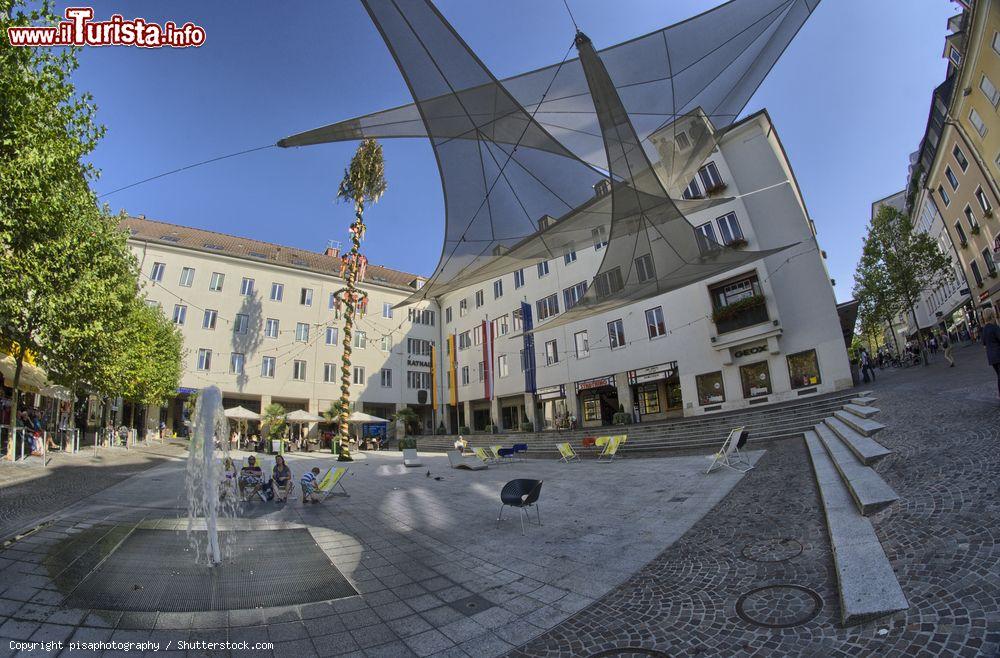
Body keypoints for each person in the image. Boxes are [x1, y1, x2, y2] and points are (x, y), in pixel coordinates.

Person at [982, 308, 1000, 400]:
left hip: (991, 357)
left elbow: (984, 344)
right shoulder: (994, 327)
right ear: (992, 315)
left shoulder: (984, 329)